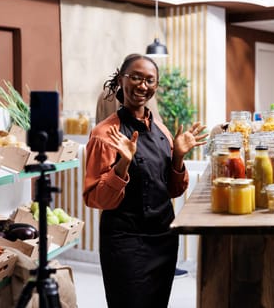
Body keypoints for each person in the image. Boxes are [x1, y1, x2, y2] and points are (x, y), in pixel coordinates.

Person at [83, 53, 207, 308]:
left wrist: (179, 157)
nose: (142, 85)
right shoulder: (105, 134)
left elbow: (173, 190)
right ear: (121, 80)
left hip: (163, 238)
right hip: (125, 242)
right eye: (135, 77)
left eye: (149, 80)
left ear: (156, 86)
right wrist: (123, 164)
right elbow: (96, 198)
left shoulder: (162, 131)